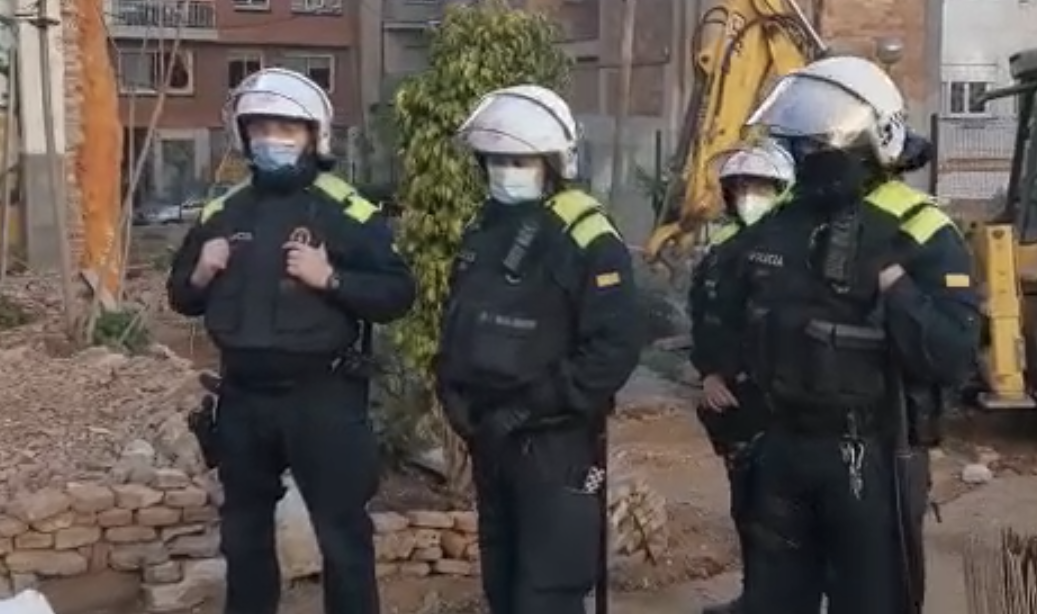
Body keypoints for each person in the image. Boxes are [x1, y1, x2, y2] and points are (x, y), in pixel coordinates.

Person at [707, 56, 982, 614]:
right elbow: (725, 300)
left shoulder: (920, 231)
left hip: (871, 454)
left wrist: (896, 287)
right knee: (773, 600)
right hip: (778, 448)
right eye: (795, 146)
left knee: (873, 601)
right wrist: (713, 368)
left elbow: (952, 355)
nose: (802, 159)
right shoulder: (779, 222)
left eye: (813, 148)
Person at [166, 68, 417, 614]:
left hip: (321, 399)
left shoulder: (345, 209)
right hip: (242, 400)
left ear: (314, 135)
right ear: (243, 134)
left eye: (287, 127)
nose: (272, 139)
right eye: (260, 127)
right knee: (244, 537)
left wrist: (331, 279)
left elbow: (398, 293)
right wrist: (203, 272)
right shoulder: (223, 211)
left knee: (343, 539)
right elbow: (180, 297)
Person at [433, 84, 644, 614]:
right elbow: (460, 321)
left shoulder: (589, 235)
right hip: (489, 438)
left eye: (519, 160)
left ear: (553, 161)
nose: (506, 170)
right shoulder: (486, 228)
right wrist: (454, 395)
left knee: (546, 593)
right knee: (501, 583)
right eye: (496, 160)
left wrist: (532, 406)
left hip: (554, 444)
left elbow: (612, 350)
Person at [689, 139, 795, 614]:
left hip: (778, 407)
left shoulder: (798, 249)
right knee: (746, 511)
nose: (750, 195)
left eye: (761, 186)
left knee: (779, 518)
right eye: (742, 186)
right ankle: (756, 599)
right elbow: (705, 317)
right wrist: (710, 374)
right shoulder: (720, 251)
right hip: (729, 406)